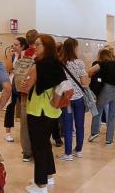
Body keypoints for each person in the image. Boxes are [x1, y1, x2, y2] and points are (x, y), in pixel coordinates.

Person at [20, 34, 67, 193]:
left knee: (38, 147)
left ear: (46, 47)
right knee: (45, 144)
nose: (35, 47)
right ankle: (48, 175)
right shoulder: (57, 63)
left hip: (38, 111)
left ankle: (40, 185)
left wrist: (24, 79)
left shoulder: (38, 66)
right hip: (52, 110)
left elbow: (24, 88)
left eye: (38, 44)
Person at [57, 38, 88, 161]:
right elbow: (84, 82)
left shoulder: (60, 63)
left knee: (68, 126)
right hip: (79, 97)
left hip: (67, 99)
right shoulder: (79, 62)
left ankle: (68, 153)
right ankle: (79, 150)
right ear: (74, 48)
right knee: (80, 125)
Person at [87, 49, 115, 145]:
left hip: (107, 89)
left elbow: (90, 71)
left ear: (102, 56)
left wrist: (91, 74)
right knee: (112, 117)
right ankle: (109, 140)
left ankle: (94, 133)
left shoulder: (103, 63)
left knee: (97, 111)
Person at [3, 37, 28, 142]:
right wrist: (9, 56)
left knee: (24, 108)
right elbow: (8, 68)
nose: (14, 46)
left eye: (16, 44)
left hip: (23, 84)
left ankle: (25, 131)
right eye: (13, 44)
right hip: (12, 83)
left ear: (22, 46)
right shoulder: (13, 56)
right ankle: (7, 132)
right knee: (10, 107)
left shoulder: (27, 55)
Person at [19, 29, 38, 162]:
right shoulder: (39, 54)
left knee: (24, 122)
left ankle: (26, 151)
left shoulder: (23, 54)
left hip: (23, 90)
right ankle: (36, 150)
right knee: (37, 121)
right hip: (36, 91)